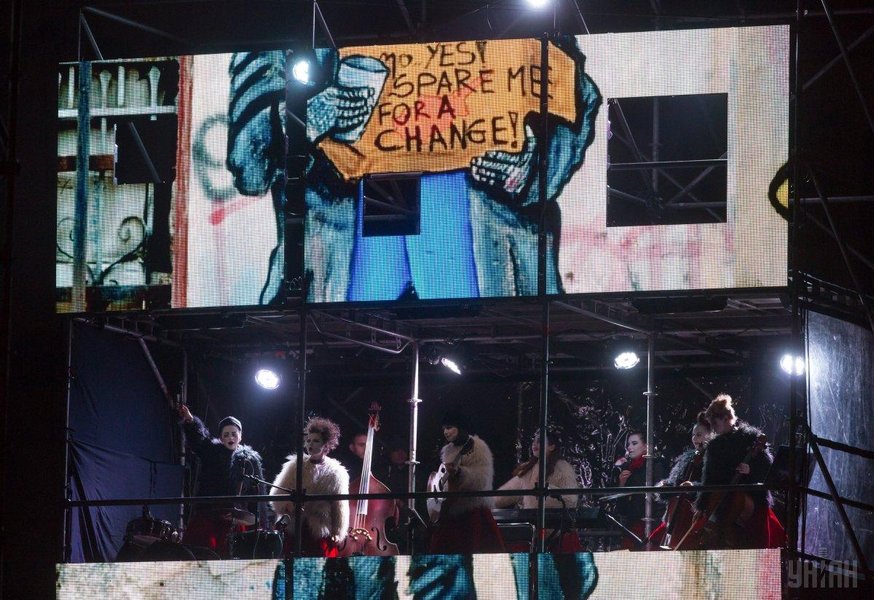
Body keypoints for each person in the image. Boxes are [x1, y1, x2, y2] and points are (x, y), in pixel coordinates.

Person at [691, 394, 784, 549]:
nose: (713, 428)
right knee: (720, 497)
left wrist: (750, 470)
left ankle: (724, 534)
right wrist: (702, 507)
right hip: (723, 498)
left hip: (751, 496)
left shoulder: (751, 438)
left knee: (738, 497)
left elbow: (768, 469)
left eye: (715, 423)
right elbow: (709, 479)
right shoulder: (714, 446)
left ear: (727, 418)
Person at [177, 405, 265, 556]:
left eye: (234, 434)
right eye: (226, 434)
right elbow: (199, 440)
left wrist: (260, 523)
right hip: (209, 515)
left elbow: (258, 495)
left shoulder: (250, 461)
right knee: (197, 549)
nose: (230, 438)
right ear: (220, 437)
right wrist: (190, 420)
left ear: (240, 436)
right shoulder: (212, 452)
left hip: (236, 520)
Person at [426, 410, 505, 554]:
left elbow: (482, 479)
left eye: (449, 427)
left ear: (460, 427)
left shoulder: (478, 447)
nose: (445, 432)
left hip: (473, 513)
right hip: (450, 511)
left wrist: (461, 473)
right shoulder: (447, 450)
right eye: (444, 429)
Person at [270, 416, 350, 557]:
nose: (310, 444)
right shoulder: (294, 465)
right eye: (308, 440)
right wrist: (288, 505)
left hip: (320, 530)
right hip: (294, 527)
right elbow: (277, 494)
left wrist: (337, 532)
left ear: (326, 445)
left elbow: (339, 506)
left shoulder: (336, 472)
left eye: (316, 441)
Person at [495, 429, 581, 552]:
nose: (534, 444)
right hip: (534, 535)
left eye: (540, 441)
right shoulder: (527, 470)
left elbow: (571, 499)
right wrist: (481, 502)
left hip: (559, 536)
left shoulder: (563, 468)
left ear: (552, 446)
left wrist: (546, 491)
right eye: (533, 441)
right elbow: (504, 495)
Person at [650, 412, 713, 547]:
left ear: (711, 434)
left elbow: (713, 485)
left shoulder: (714, 458)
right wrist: (666, 485)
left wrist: (693, 487)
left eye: (699, 435)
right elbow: (675, 482)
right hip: (677, 515)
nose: (694, 438)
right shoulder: (687, 458)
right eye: (693, 435)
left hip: (697, 512)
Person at [613, 429, 664, 549]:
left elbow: (660, 499)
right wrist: (622, 484)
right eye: (628, 444)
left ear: (646, 446)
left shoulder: (656, 466)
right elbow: (621, 508)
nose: (629, 447)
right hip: (632, 526)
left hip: (652, 525)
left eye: (634, 443)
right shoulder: (627, 469)